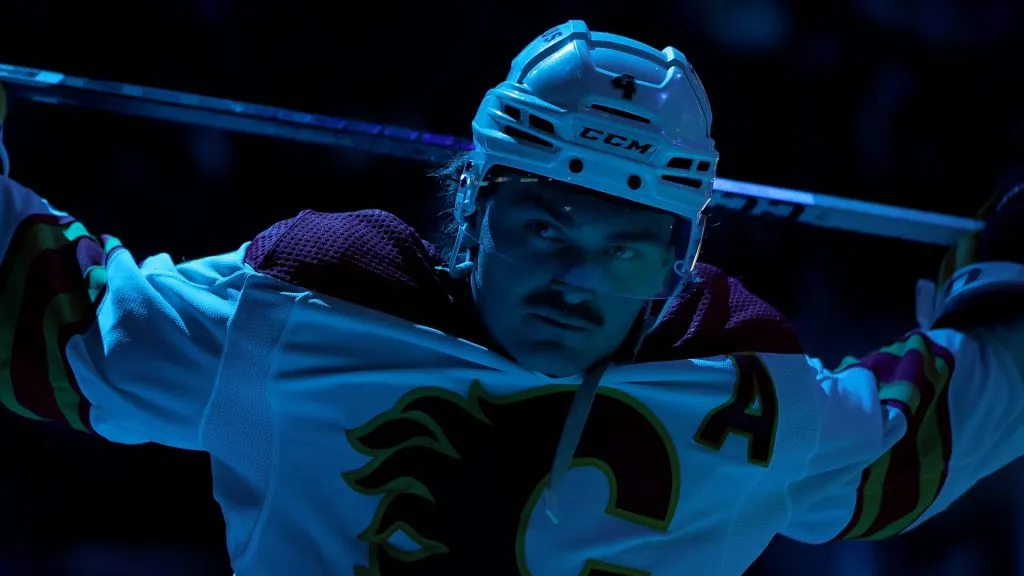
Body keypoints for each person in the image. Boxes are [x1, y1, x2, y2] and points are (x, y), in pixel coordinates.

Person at [0, 20, 1022, 576]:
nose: (579, 279)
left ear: (678, 259)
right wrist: (1003, 290)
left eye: (627, 249)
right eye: (544, 229)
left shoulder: (746, 389)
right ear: (473, 207)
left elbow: (46, 325)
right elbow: (934, 431)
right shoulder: (303, 308)